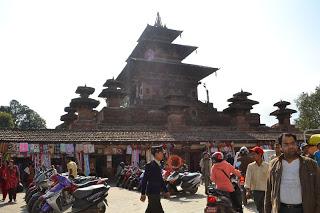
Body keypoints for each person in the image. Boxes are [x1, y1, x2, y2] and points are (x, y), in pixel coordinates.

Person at [265, 133, 320, 213]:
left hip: (304, 209)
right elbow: (269, 191)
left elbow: (318, 191)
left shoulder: (311, 164)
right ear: (280, 147)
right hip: (281, 209)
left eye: (292, 143)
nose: (290, 146)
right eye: (286, 144)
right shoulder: (273, 164)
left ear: (296, 145)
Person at [140, 145, 170, 213]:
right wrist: (143, 193)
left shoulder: (159, 165)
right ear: (156, 154)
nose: (163, 155)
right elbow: (144, 180)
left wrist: (166, 191)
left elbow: (160, 180)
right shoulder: (150, 165)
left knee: (150, 210)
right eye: (162, 153)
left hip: (156, 193)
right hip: (152, 193)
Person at [244, 146, 269, 213]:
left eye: (254, 154)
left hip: (266, 191)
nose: (252, 156)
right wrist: (247, 191)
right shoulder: (250, 166)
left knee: (266, 208)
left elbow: (270, 179)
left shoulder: (267, 166)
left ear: (260, 154)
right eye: (252, 154)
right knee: (259, 209)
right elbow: (248, 178)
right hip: (256, 192)